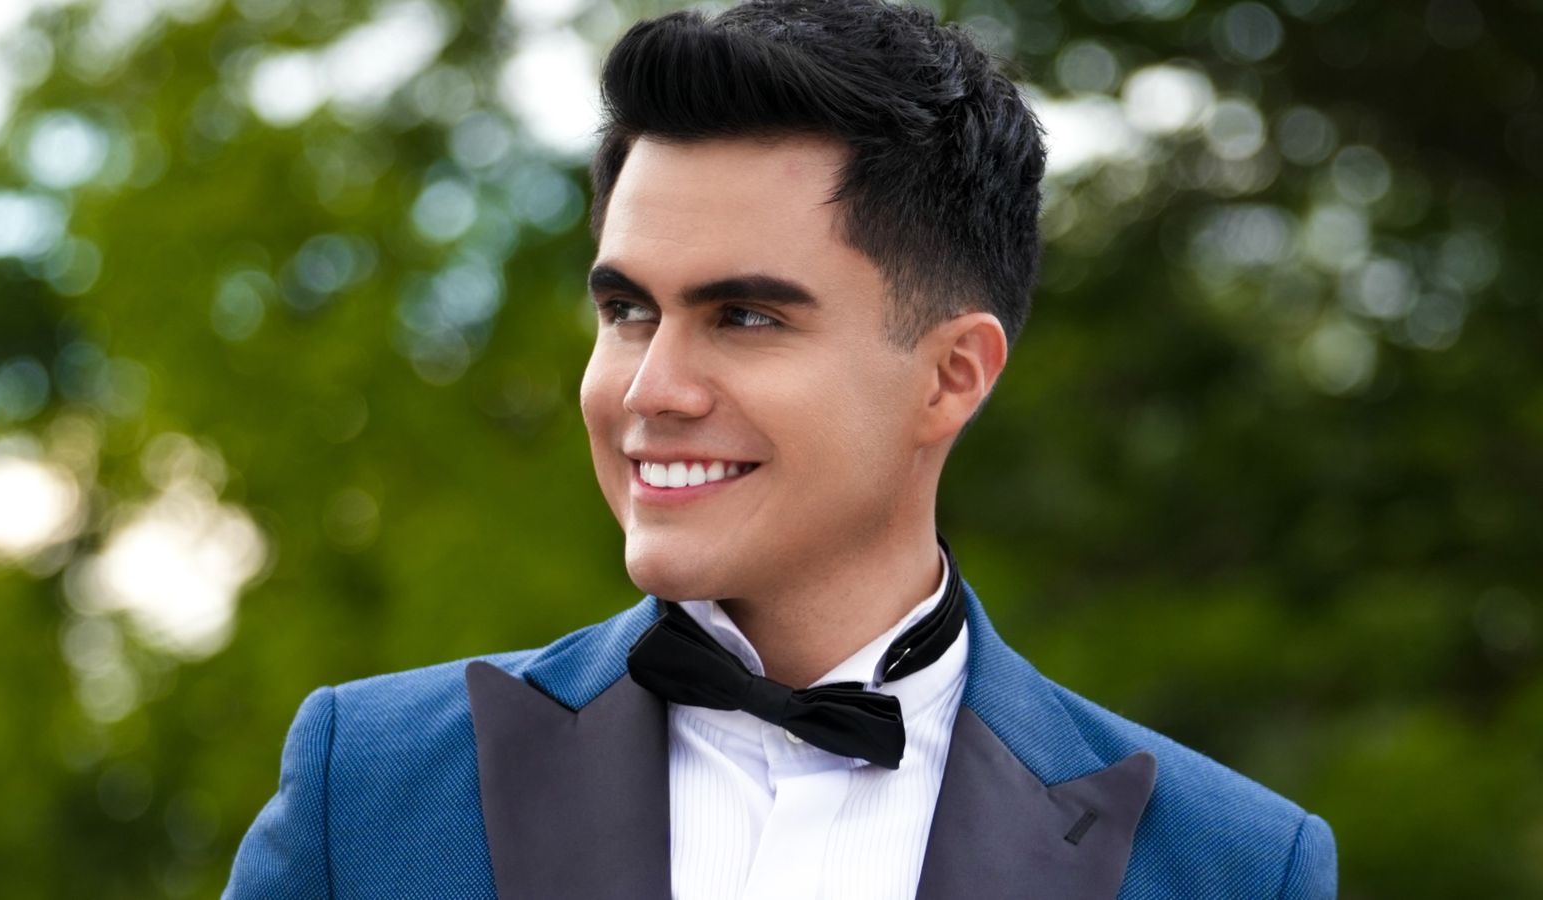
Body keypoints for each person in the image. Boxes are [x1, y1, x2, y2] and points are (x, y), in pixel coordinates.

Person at [224, 1, 1338, 897]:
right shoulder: (366, 788)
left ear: (953, 375)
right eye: (626, 311)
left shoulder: (1232, 869)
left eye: (745, 317)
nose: (651, 390)